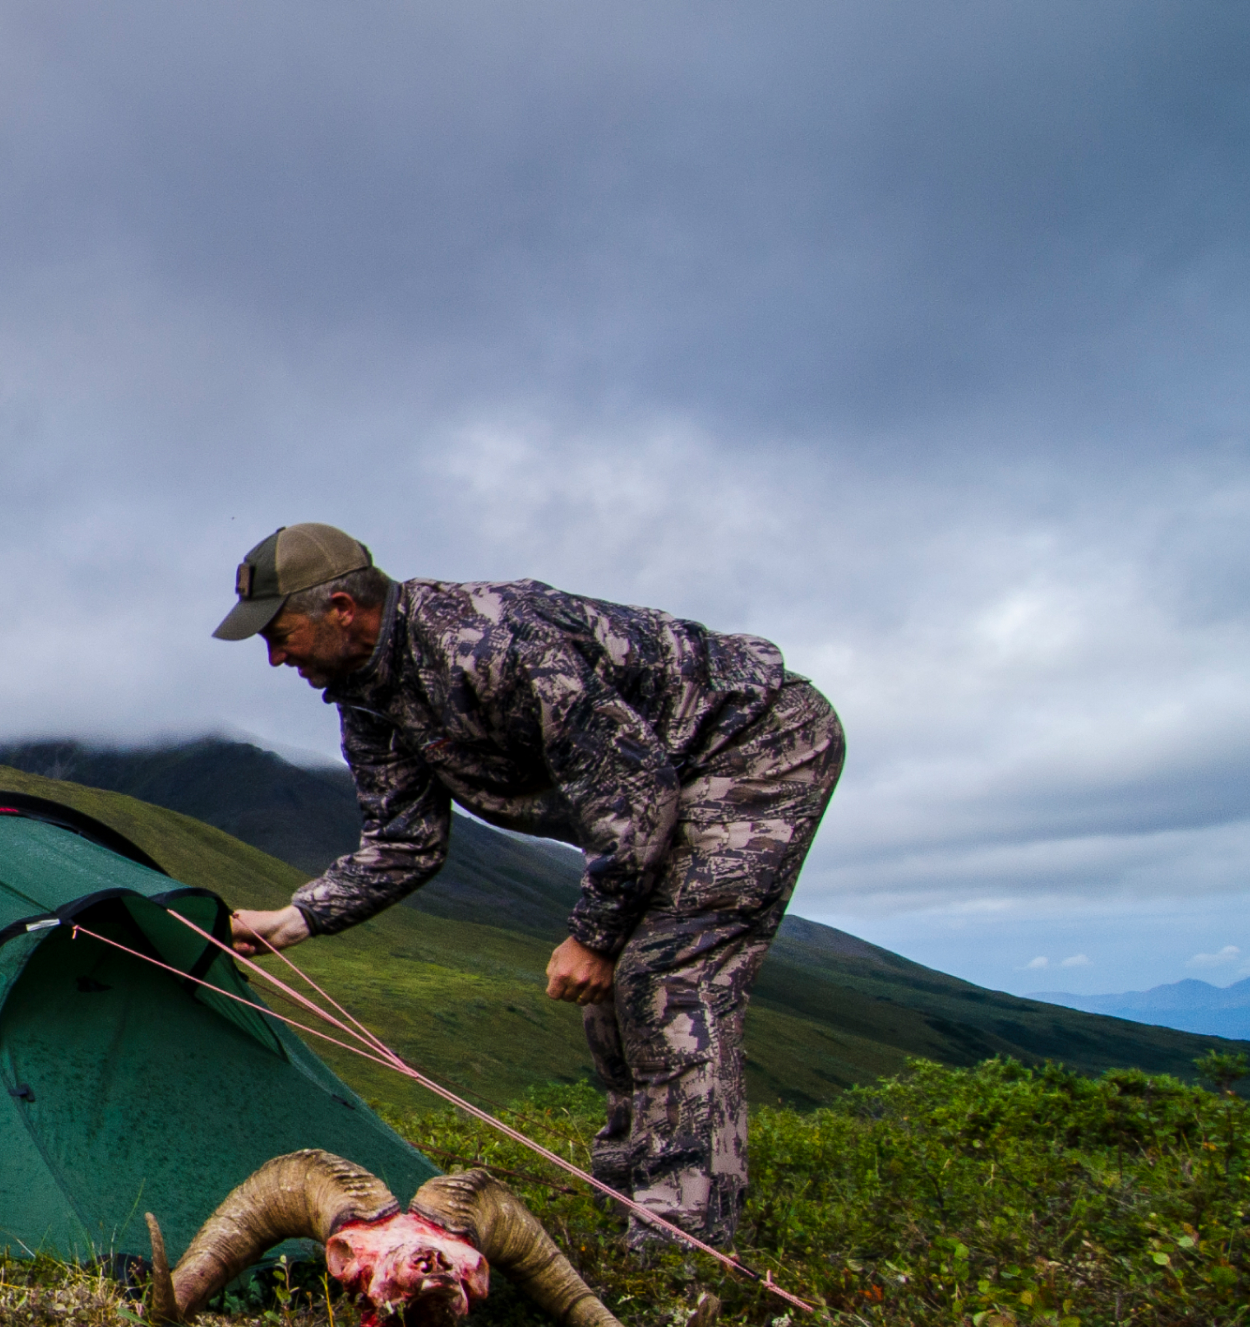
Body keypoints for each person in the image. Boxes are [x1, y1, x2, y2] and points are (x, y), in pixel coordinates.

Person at [209, 523, 843, 1249]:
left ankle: (682, 1247)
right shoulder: (369, 701)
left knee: (668, 979)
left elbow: (635, 794)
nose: (274, 656)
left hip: (754, 747)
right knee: (616, 995)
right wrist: (292, 921)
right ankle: (635, 1201)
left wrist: (595, 937)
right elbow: (404, 842)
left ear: (342, 607)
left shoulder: (491, 644)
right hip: (660, 790)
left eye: (280, 634)